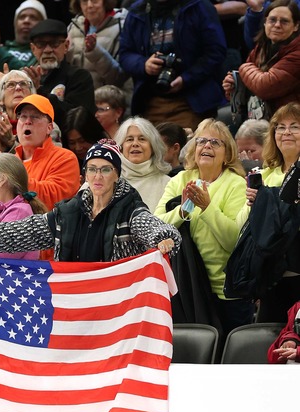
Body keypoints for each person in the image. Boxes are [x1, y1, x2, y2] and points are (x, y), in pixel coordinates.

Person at [0, 139, 180, 262]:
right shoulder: (68, 212)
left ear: (117, 174)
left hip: (118, 302)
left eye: (106, 170)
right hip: (77, 300)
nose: (98, 176)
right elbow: (23, 232)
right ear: (85, 175)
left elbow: (150, 225)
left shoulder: (130, 209)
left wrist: (164, 238)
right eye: (92, 170)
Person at [155, 118, 249, 334]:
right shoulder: (179, 180)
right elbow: (156, 227)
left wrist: (207, 207)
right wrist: (183, 211)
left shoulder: (235, 183)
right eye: (201, 141)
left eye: (215, 143)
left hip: (226, 291)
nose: (207, 146)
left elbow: (233, 241)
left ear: (227, 154)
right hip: (186, 287)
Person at [119, 0, 227, 129]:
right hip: (149, 101)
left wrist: (186, 79)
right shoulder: (137, 11)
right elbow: (125, 54)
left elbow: (215, 52)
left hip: (192, 101)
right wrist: (144, 65)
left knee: (188, 147)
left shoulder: (198, 6)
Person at [237, 103, 300, 323]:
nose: (286, 133)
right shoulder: (264, 175)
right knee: (268, 343)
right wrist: (253, 206)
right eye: (280, 127)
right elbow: (242, 227)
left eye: (295, 126)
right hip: (271, 275)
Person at [223, 0, 300, 121]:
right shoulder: (261, 47)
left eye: (284, 21)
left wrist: (243, 68)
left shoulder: (297, 53)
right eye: (272, 20)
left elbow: (264, 86)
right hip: (262, 119)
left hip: (290, 124)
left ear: (296, 26)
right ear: (265, 22)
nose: (277, 25)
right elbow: (249, 85)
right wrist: (234, 85)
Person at [10, 94, 80, 213]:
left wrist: (10, 180)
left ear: (49, 128)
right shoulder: (10, 162)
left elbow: (54, 200)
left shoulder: (65, 158)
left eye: (35, 117)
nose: (27, 121)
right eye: (23, 117)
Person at [23, 19, 97, 127]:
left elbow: (76, 120)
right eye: (41, 44)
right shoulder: (23, 78)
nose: (48, 50)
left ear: (66, 46)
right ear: (33, 49)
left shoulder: (79, 77)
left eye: (54, 43)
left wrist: (39, 90)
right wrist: (1, 85)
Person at [66, 0, 130, 92]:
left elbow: (119, 78)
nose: (89, 5)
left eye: (95, 0)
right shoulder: (73, 26)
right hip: (78, 97)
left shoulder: (122, 26)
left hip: (108, 100)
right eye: (84, 1)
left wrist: (95, 52)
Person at [115, 117, 172, 212]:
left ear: (153, 146)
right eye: (129, 139)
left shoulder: (168, 184)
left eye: (142, 139)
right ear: (120, 147)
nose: (135, 144)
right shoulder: (108, 180)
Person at [0, 69, 36, 152]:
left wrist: (11, 144)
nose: (18, 88)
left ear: (32, 95)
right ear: (0, 99)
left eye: (23, 84)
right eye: (10, 85)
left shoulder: (45, 126)